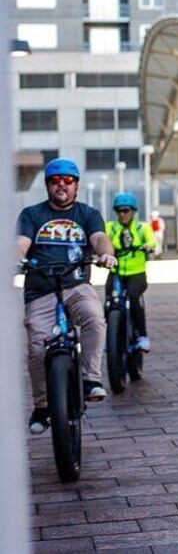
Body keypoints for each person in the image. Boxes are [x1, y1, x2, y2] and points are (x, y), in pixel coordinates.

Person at [16, 158, 118, 434]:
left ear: (76, 186)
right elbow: (21, 243)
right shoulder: (31, 214)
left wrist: (105, 253)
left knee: (95, 319)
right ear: (48, 185)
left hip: (76, 285)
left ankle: (90, 380)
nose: (62, 185)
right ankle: (42, 406)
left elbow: (99, 238)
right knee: (37, 347)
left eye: (68, 180)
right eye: (55, 180)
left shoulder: (87, 214)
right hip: (41, 288)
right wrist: (14, 258)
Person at [105, 192, 157, 352]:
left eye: (126, 210)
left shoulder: (142, 227)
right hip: (116, 272)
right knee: (109, 301)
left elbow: (152, 241)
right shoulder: (110, 227)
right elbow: (102, 241)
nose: (122, 214)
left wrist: (148, 246)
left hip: (137, 273)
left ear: (133, 211)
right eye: (119, 211)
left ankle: (142, 336)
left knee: (134, 297)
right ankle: (109, 336)